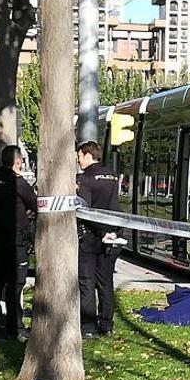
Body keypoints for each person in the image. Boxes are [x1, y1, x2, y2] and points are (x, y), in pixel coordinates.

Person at [0, 145, 37, 341]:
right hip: (15, 241)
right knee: (15, 284)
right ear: (18, 161)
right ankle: (15, 327)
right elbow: (35, 203)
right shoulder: (19, 183)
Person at [76, 141, 122, 338]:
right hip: (112, 234)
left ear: (87, 155)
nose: (78, 160)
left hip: (91, 236)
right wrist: (111, 232)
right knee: (106, 281)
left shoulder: (84, 179)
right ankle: (106, 324)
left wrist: (101, 232)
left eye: (79, 156)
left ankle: (87, 327)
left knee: (87, 282)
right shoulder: (111, 174)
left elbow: (87, 211)